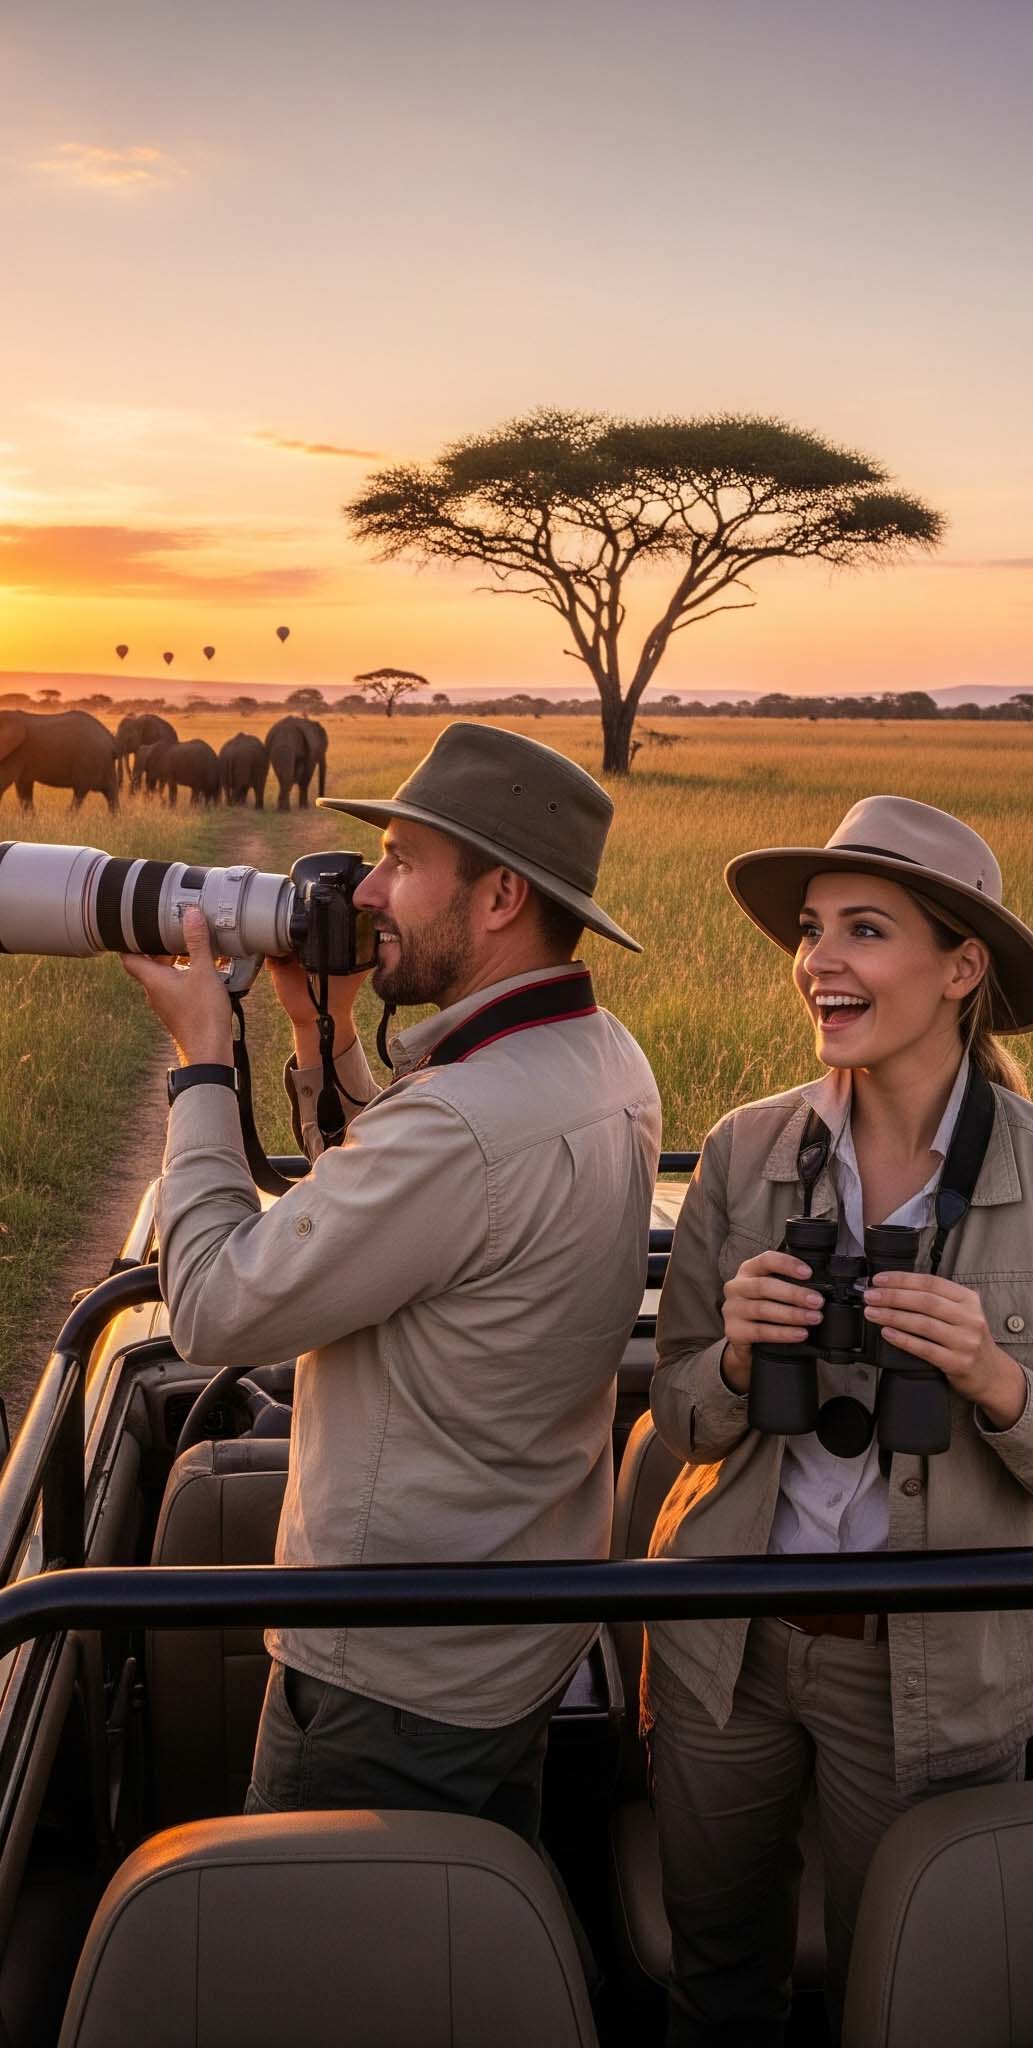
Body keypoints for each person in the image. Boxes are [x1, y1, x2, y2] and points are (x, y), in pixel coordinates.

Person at [643, 794, 1033, 2044]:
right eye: (813, 932)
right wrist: (734, 1353)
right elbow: (679, 1416)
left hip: (940, 1668)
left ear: (959, 966)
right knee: (715, 1973)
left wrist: (994, 1379)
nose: (821, 962)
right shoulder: (743, 1151)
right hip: (730, 1646)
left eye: (865, 931)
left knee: (912, 1988)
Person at [122, 721, 661, 1846]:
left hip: (388, 1668)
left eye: (406, 860)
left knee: (320, 1964)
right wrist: (326, 1042)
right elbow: (436, 1213)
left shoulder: (463, 1122)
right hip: (511, 1627)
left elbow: (215, 1306)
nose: (368, 889)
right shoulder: (601, 1056)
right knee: (452, 1938)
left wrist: (201, 1066)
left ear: (502, 894)